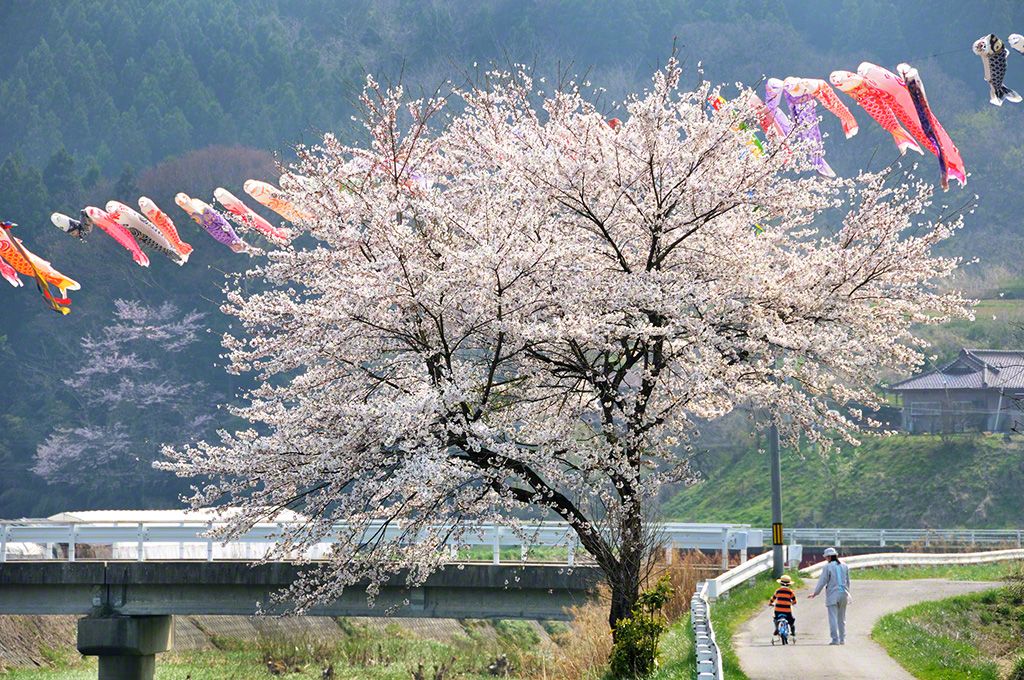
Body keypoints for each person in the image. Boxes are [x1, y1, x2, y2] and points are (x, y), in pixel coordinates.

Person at [809, 546, 851, 645]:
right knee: (842, 618)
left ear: (829, 557)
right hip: (844, 593)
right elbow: (848, 581)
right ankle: (842, 639)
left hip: (832, 594)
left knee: (833, 618)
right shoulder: (844, 566)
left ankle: (835, 639)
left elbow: (822, 581)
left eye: (826, 557)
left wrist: (815, 593)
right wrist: (847, 592)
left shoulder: (827, 567)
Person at [768, 574, 797, 639]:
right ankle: (792, 631)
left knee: (776, 618)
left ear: (780, 583)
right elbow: (794, 601)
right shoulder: (790, 592)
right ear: (789, 584)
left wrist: (770, 603)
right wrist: (792, 603)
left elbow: (773, 598)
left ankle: (776, 628)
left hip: (777, 610)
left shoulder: (778, 591)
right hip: (787, 611)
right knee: (791, 620)